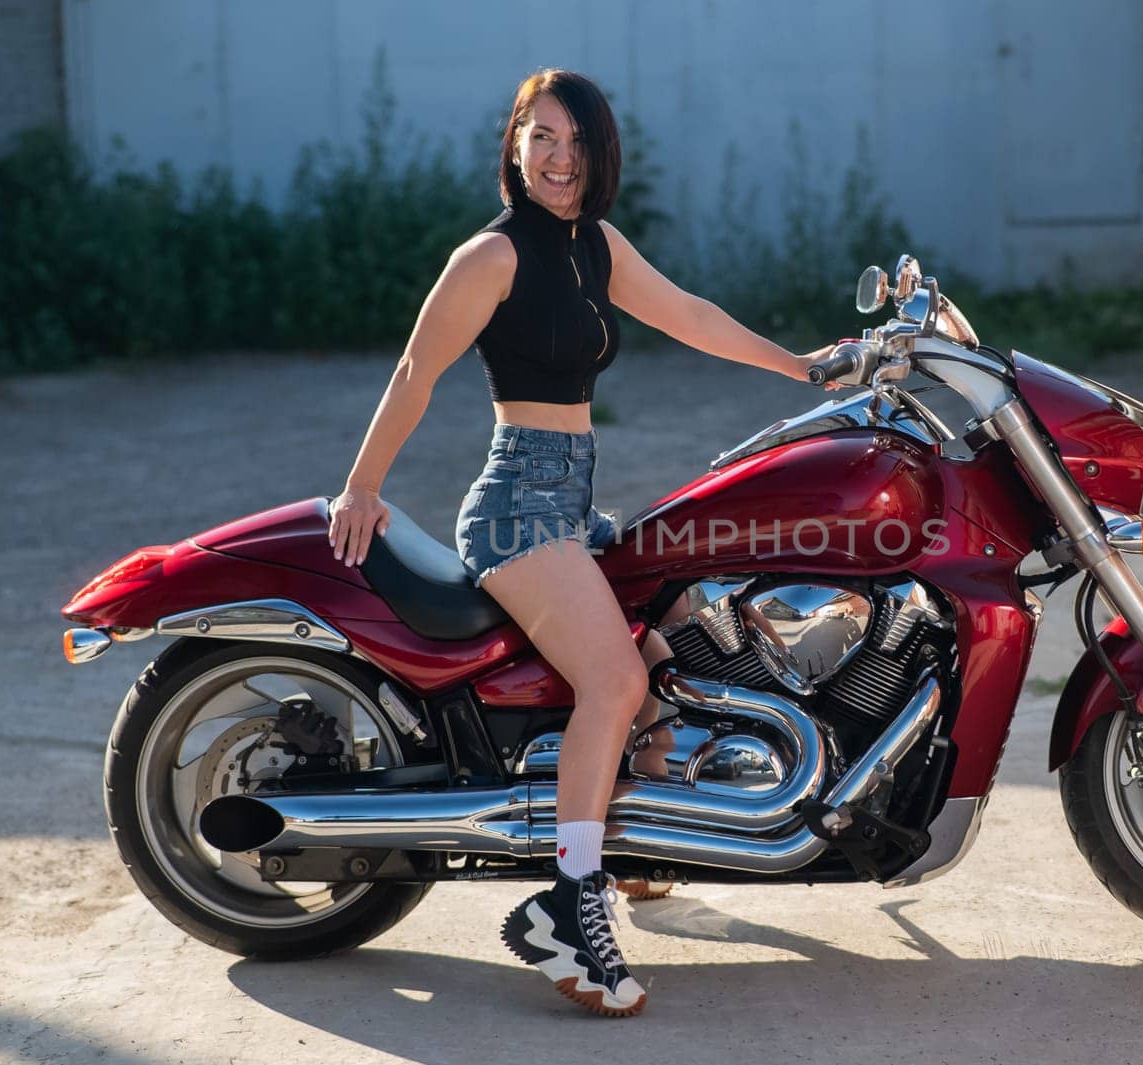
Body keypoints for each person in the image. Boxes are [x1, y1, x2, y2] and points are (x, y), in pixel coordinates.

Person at [327, 68, 835, 1018]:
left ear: (601, 156)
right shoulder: (492, 255)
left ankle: (643, 851)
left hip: (572, 502)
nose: (560, 159)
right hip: (518, 508)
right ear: (515, 144)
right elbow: (415, 367)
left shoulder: (594, 243)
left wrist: (806, 366)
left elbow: (688, 313)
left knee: (686, 622)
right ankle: (568, 901)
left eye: (578, 142)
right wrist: (362, 485)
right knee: (618, 683)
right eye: (542, 138)